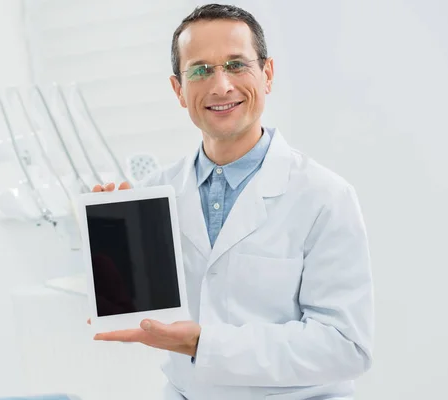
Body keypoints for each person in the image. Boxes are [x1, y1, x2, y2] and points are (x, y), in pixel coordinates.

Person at [91, 3, 374, 399]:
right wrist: (108, 242)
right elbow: (134, 313)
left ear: (267, 74)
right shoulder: (157, 193)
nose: (220, 85)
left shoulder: (324, 196)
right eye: (200, 70)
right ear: (179, 89)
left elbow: (346, 347)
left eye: (237, 65)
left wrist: (204, 344)